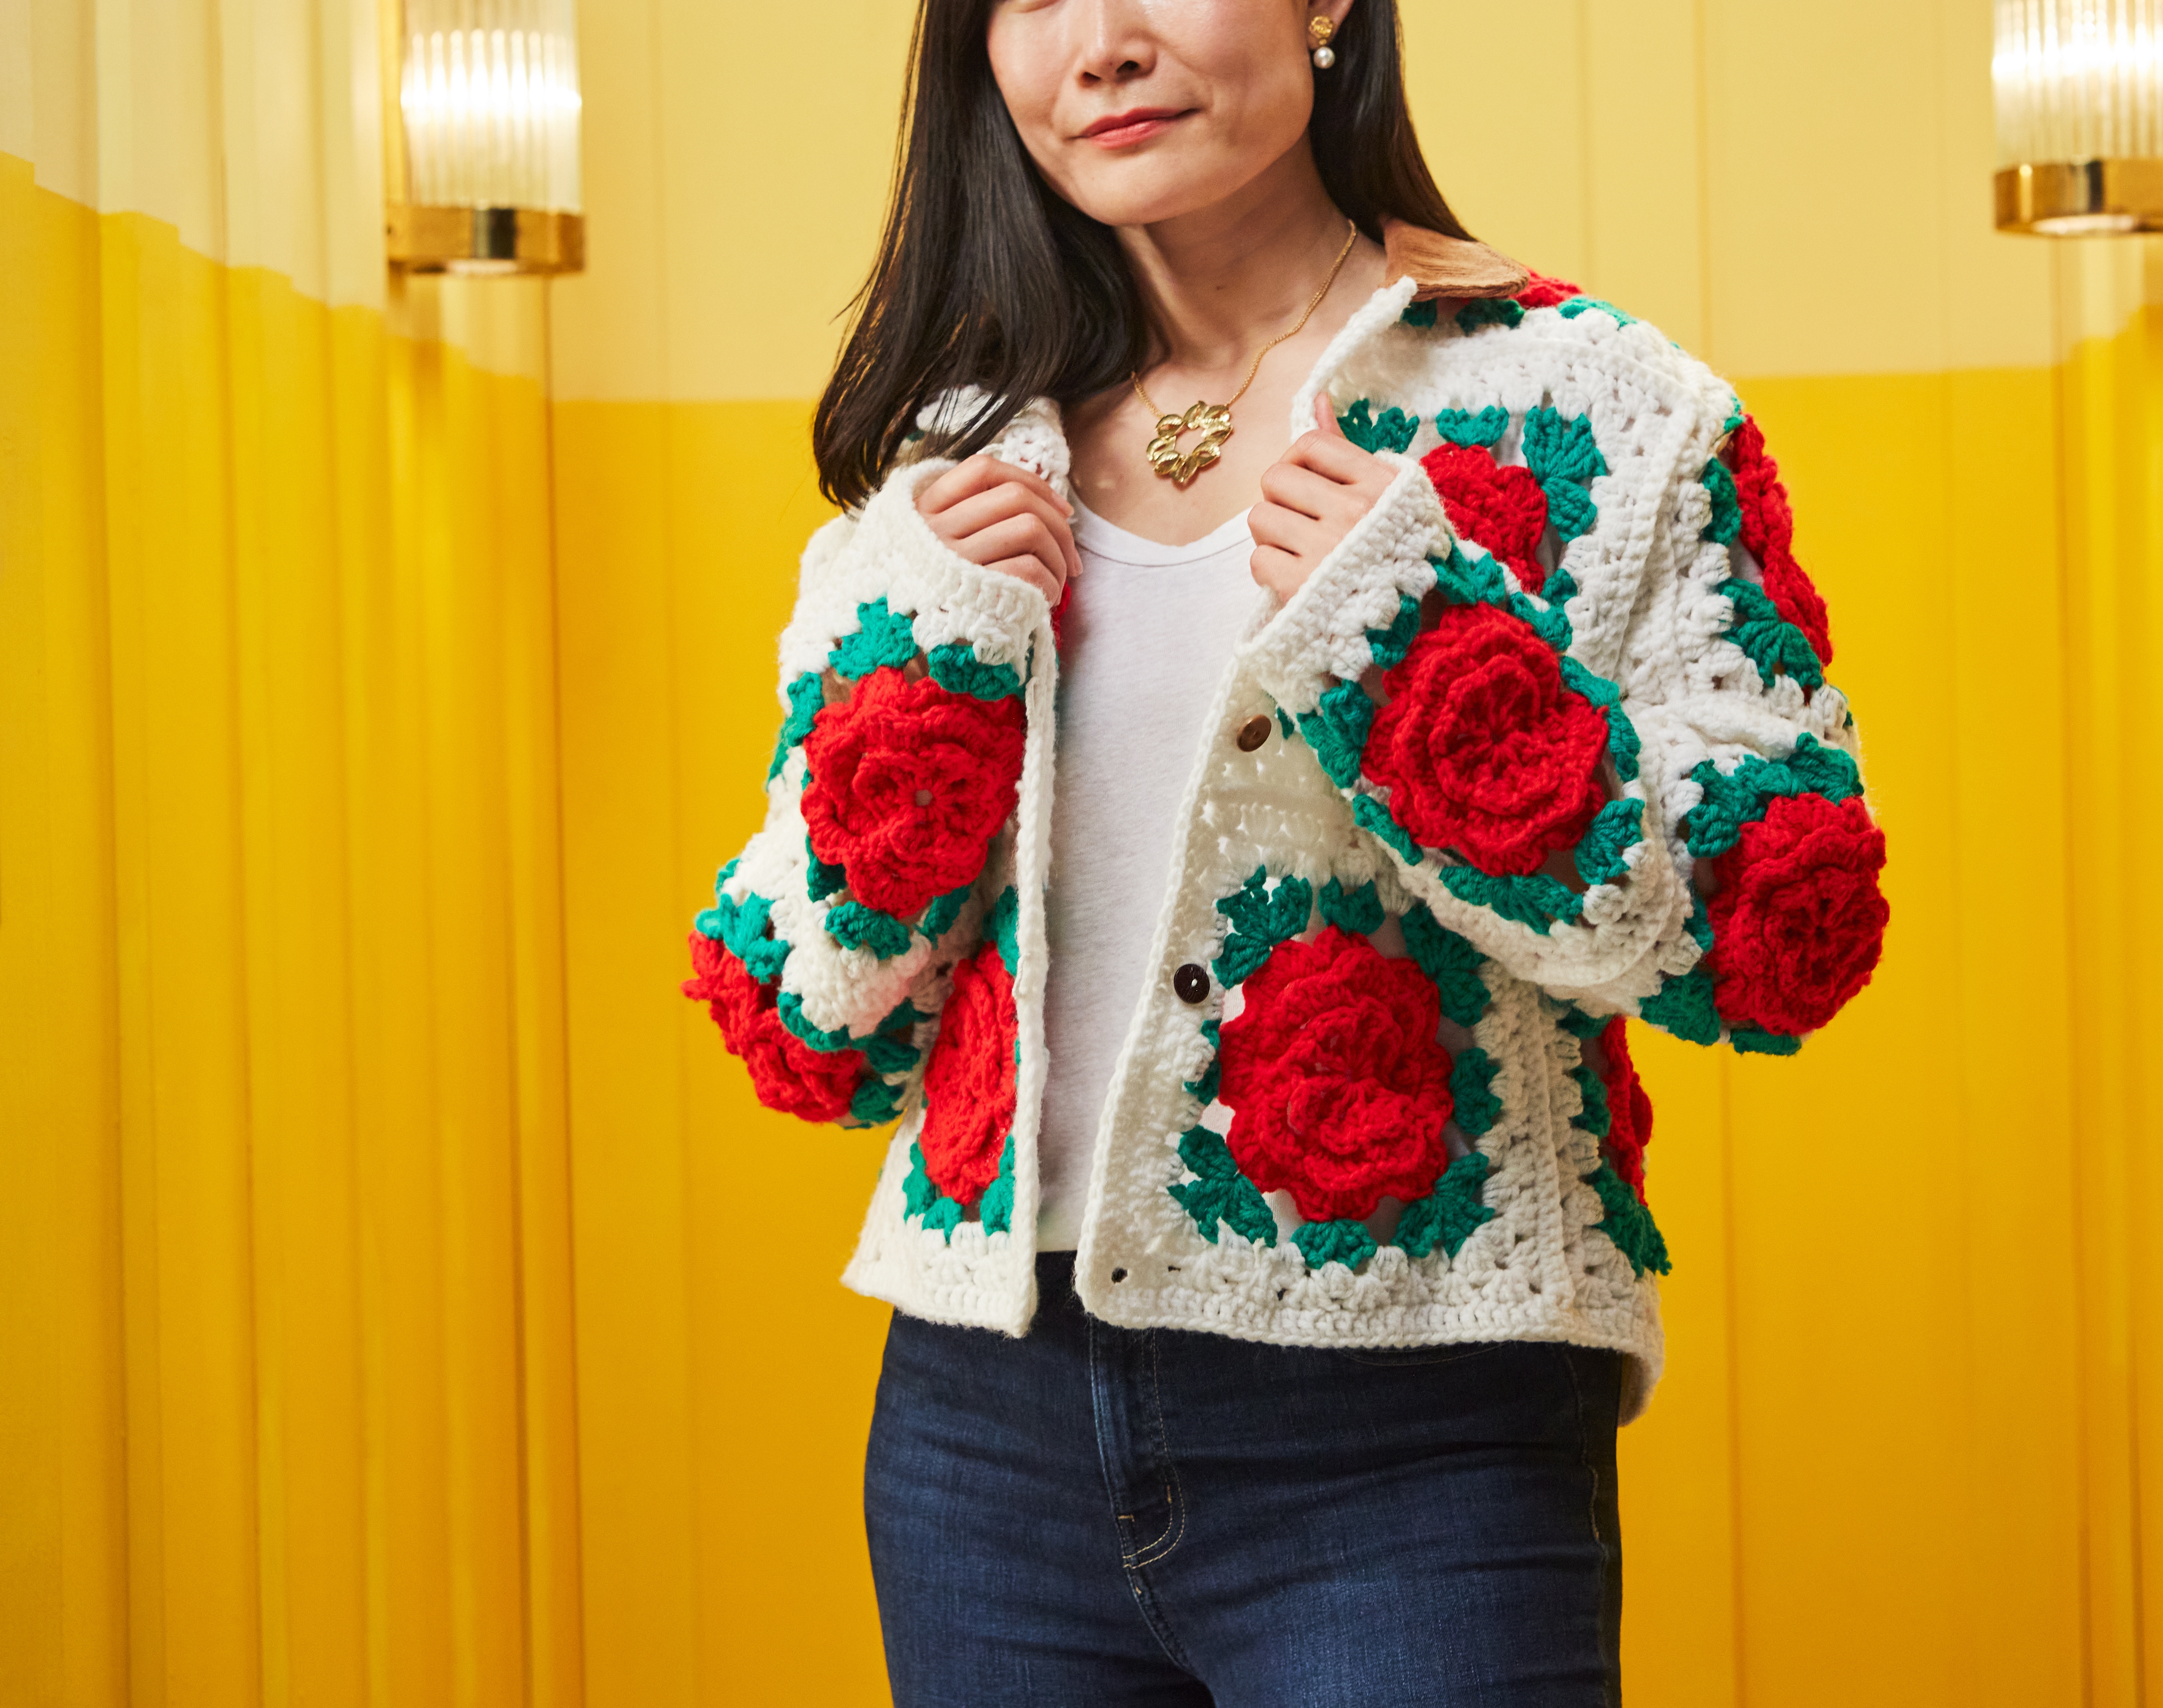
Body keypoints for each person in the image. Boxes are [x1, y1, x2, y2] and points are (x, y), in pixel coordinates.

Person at [680, 1, 1890, 1700]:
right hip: (984, 1435)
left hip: (1413, 1435)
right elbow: (808, 1032)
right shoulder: (951, 459)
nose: (1097, 46)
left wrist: (1413, 639)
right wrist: (923, 662)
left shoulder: (1594, 409)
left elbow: (1781, 937)